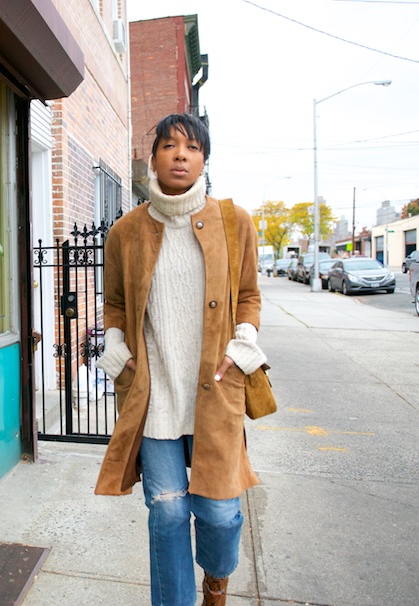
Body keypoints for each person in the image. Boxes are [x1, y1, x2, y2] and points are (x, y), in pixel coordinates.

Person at [94, 113, 266, 606]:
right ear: (153, 158)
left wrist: (243, 339)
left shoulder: (234, 222)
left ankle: (216, 581)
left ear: (204, 160)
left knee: (218, 512)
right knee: (167, 513)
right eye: (169, 146)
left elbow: (250, 295)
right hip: (156, 394)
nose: (180, 155)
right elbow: (116, 303)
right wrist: (115, 343)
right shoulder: (126, 231)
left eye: (191, 148)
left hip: (216, 388)